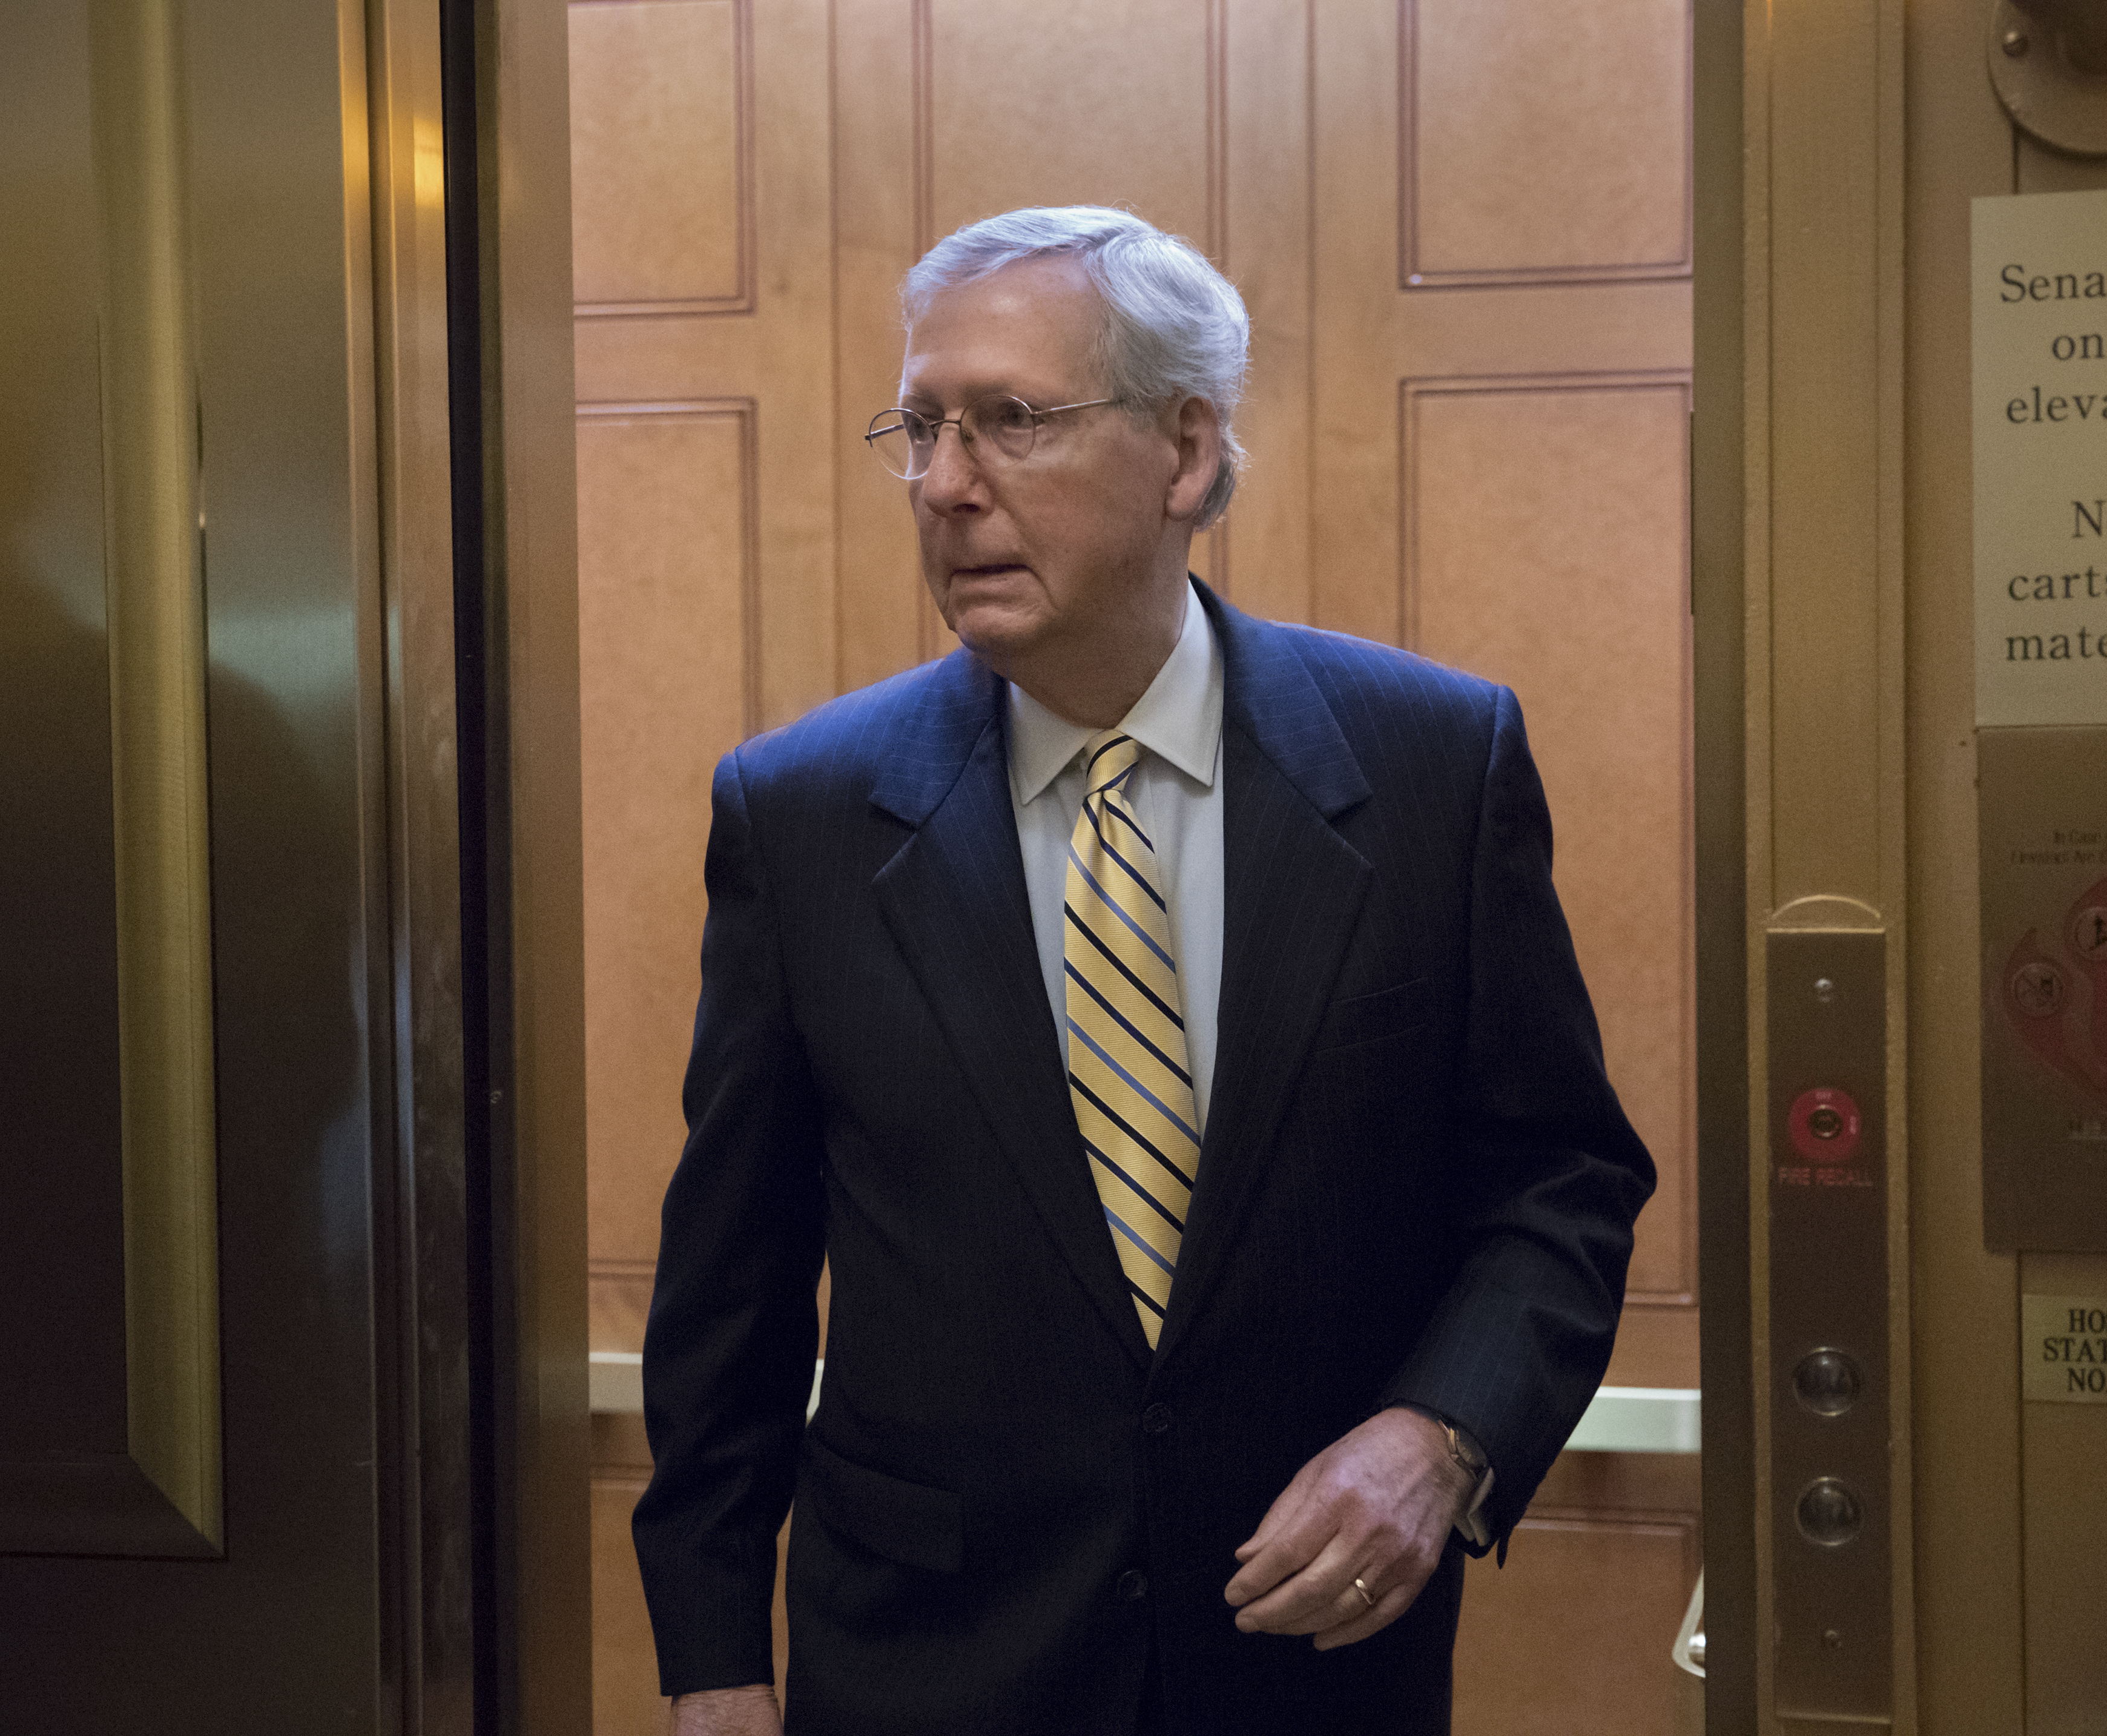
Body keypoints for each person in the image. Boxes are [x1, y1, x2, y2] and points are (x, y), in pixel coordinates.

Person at [631, 206, 1654, 1736]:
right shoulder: (803, 814)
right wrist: (713, 1663)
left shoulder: (1433, 765)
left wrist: (1440, 1439)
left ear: (1184, 451)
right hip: (931, 1667)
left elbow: (1558, 1185)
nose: (944, 484)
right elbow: (735, 1277)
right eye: (920, 428)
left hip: (1303, 1673)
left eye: (1009, 421)